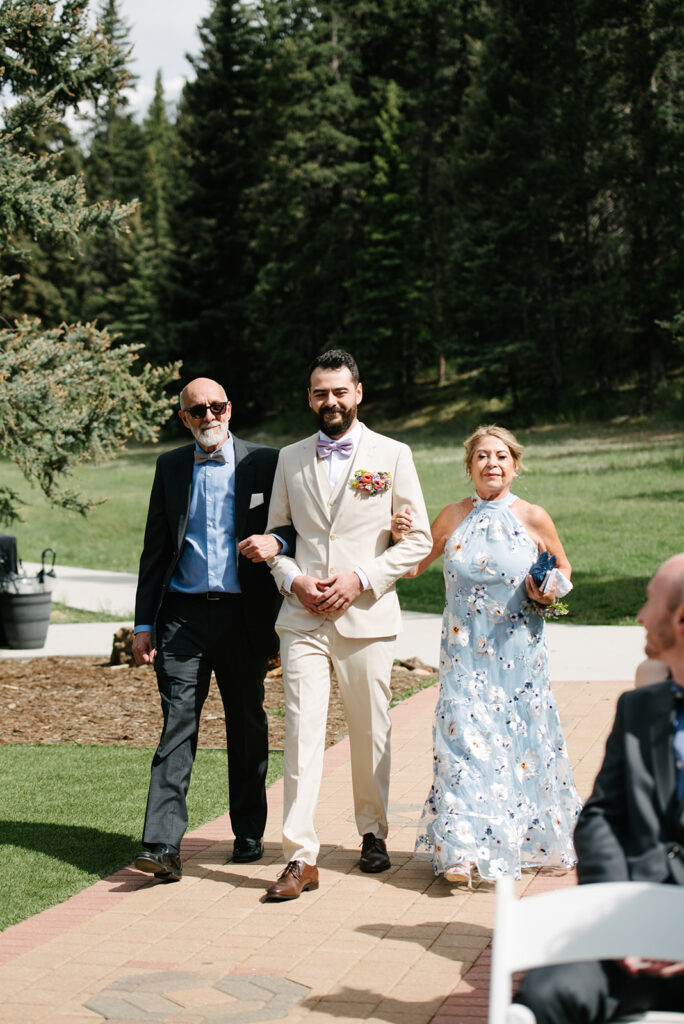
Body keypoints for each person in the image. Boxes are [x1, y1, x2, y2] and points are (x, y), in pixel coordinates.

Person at [262, 349, 432, 899]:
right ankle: (299, 856)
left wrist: (362, 577)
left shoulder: (394, 454)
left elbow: (420, 540)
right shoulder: (288, 458)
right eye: (319, 392)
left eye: (339, 391)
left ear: (358, 392)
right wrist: (292, 580)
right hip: (303, 619)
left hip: (366, 615)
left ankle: (373, 833)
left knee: (370, 731)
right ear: (308, 397)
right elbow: (277, 539)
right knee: (301, 734)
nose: (329, 401)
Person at [396, 424, 581, 884]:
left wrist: (548, 590)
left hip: (520, 658)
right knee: (462, 747)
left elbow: (563, 568)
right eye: (481, 456)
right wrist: (397, 534)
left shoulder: (534, 516)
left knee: (518, 745)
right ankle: (460, 851)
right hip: (463, 657)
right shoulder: (452, 517)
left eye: (501, 456)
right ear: (469, 466)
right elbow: (416, 566)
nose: (491, 463)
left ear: (515, 465)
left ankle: (523, 839)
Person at [131, 377, 293, 882]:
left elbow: (295, 526)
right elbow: (156, 548)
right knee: (177, 724)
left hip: (245, 616)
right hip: (181, 617)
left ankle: (248, 831)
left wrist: (277, 544)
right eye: (197, 410)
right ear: (184, 418)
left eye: (216, 407)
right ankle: (161, 845)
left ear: (230, 409)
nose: (208, 417)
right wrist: (142, 623)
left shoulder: (264, 462)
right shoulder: (170, 465)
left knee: (247, 724)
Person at [515, 553, 684, 1023]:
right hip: (628, 936)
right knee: (545, 995)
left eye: (651, 603)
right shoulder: (639, 709)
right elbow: (601, 818)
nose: (640, 616)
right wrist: (620, 919)